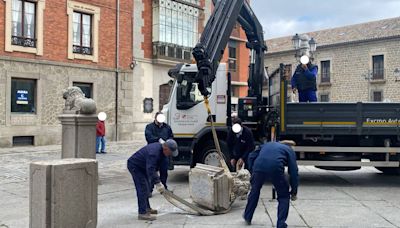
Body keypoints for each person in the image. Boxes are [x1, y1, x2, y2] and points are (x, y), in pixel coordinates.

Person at [243, 140, 298, 228]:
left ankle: (247, 216)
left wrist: (252, 170)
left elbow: (251, 156)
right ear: (290, 146)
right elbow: (293, 171)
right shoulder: (289, 150)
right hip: (275, 168)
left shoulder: (267, 144)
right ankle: (281, 224)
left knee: (254, 191)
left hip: (258, 167)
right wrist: (294, 191)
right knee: (284, 196)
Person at [127, 139, 178, 221]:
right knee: (142, 188)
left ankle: (147, 208)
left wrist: (162, 183)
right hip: (135, 166)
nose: (170, 155)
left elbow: (161, 169)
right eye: (170, 152)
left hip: (143, 166)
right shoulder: (154, 153)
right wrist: (158, 183)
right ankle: (142, 213)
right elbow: (151, 169)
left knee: (146, 187)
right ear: (166, 148)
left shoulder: (162, 152)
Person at [144, 112, 174, 196]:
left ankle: (164, 188)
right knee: (152, 171)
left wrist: (168, 143)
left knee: (164, 171)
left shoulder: (167, 127)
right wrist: (158, 140)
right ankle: (149, 190)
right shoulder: (149, 127)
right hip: (153, 152)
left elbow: (171, 136)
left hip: (164, 152)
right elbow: (148, 137)